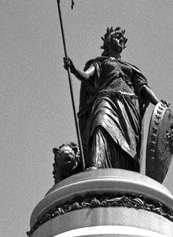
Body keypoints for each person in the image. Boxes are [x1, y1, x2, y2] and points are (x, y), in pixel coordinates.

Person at [64, 27, 161, 170]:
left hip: (130, 105)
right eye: (117, 38)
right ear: (108, 42)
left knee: (129, 141)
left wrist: (159, 105)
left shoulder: (130, 67)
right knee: (101, 124)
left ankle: (126, 170)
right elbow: (86, 76)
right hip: (106, 98)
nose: (120, 41)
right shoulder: (100, 62)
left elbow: (143, 88)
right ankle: (96, 164)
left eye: (122, 40)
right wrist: (73, 69)